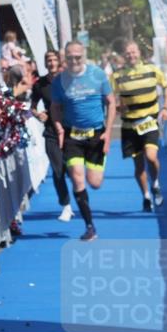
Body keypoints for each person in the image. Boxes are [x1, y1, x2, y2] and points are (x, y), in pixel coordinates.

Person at [50, 40, 116, 242]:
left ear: (83, 55)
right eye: (69, 57)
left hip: (96, 134)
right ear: (65, 58)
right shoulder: (59, 81)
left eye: (77, 56)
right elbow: (55, 107)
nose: (74, 60)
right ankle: (90, 226)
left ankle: (89, 219)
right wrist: (60, 128)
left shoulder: (97, 74)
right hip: (73, 137)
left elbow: (111, 102)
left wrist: (108, 131)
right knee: (77, 178)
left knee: (94, 183)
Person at [110, 41, 167, 212]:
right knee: (138, 166)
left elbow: (166, 87)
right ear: (124, 55)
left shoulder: (151, 70)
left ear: (139, 53)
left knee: (151, 157)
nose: (131, 55)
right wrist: (115, 106)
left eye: (134, 52)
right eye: (128, 53)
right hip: (129, 126)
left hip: (149, 122)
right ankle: (145, 195)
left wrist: (165, 108)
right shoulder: (117, 76)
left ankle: (156, 183)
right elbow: (109, 98)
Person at [30, 50, 72, 220]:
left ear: (59, 62)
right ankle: (66, 205)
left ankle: (79, 199)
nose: (52, 62)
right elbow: (32, 106)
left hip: (70, 129)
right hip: (51, 131)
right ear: (45, 63)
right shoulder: (40, 84)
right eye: (49, 60)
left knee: (70, 168)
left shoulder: (68, 80)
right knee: (57, 169)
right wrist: (39, 114)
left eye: (55, 59)